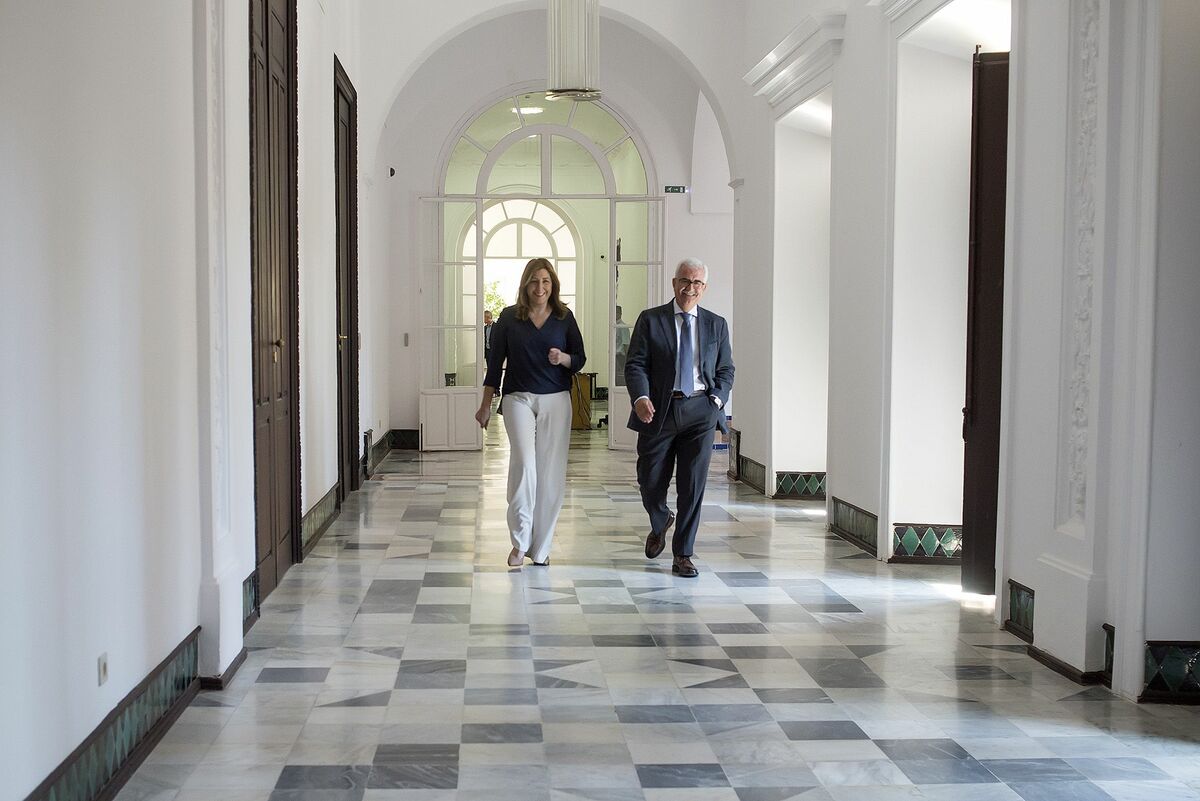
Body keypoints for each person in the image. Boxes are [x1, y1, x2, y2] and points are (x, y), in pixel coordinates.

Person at [625, 257, 734, 578]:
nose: (690, 288)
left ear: (704, 288)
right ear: (674, 283)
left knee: (693, 486)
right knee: (649, 479)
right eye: (685, 281)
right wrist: (640, 397)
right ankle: (660, 519)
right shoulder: (651, 320)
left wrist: (716, 399)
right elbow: (636, 364)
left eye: (697, 283)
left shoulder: (716, 324)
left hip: (701, 410)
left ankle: (683, 554)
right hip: (658, 410)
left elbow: (726, 369)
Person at [476, 258, 586, 568]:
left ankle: (542, 547)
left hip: (556, 399)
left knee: (550, 472)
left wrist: (562, 357)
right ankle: (520, 541)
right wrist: (485, 404)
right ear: (526, 284)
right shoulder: (509, 318)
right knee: (525, 464)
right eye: (535, 281)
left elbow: (579, 358)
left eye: (546, 282)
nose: (540, 287)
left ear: (553, 285)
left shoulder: (565, 318)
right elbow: (495, 365)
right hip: (518, 398)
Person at [613, 305, 631, 385]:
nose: (614, 314)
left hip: (621, 357)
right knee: (615, 379)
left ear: (620, 313)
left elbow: (626, 344)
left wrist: (628, 361)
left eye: (616, 312)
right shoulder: (614, 326)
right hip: (615, 357)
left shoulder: (623, 327)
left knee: (621, 379)